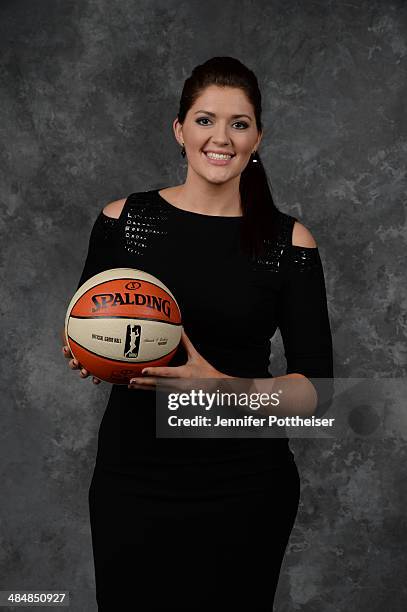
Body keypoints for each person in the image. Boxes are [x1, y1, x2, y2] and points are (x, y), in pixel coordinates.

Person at [62, 57, 333, 611]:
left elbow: (317, 391)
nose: (222, 138)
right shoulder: (124, 221)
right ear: (179, 129)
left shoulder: (289, 242)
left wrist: (217, 387)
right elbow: (91, 330)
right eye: (206, 120)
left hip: (245, 483)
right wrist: (86, 355)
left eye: (239, 123)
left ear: (257, 137)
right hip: (134, 476)